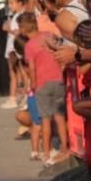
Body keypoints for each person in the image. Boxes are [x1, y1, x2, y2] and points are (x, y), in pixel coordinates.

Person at [19, 12, 69, 166]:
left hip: (42, 84)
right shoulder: (48, 35)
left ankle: (46, 152)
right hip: (58, 80)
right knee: (60, 117)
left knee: (45, 120)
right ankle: (65, 147)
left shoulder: (29, 46)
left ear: (22, 29)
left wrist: (33, 85)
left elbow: (32, 68)